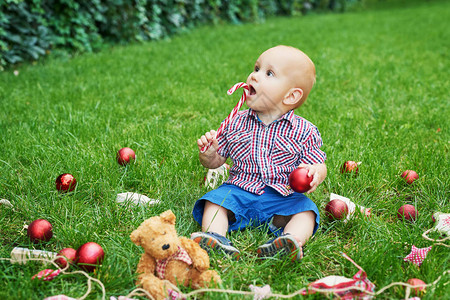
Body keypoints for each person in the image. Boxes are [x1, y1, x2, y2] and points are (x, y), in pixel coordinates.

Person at [191, 45, 327, 262]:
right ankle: (215, 237)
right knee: (214, 201)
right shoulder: (236, 121)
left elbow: (318, 162)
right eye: (256, 68)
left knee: (306, 211)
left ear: (291, 96)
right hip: (239, 191)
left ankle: (289, 241)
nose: (254, 76)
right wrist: (209, 154)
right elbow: (216, 162)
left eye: (268, 73)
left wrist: (315, 173)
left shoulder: (304, 130)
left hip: (282, 197)